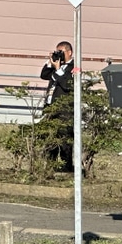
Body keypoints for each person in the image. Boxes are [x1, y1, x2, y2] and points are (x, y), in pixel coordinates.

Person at [39, 41, 75, 171]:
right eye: (57, 52)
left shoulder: (73, 67)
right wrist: (51, 62)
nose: (59, 55)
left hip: (65, 110)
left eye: (61, 53)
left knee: (65, 139)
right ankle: (50, 164)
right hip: (51, 107)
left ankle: (67, 167)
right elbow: (43, 75)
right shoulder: (57, 66)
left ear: (69, 52)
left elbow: (67, 85)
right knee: (50, 137)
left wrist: (59, 69)